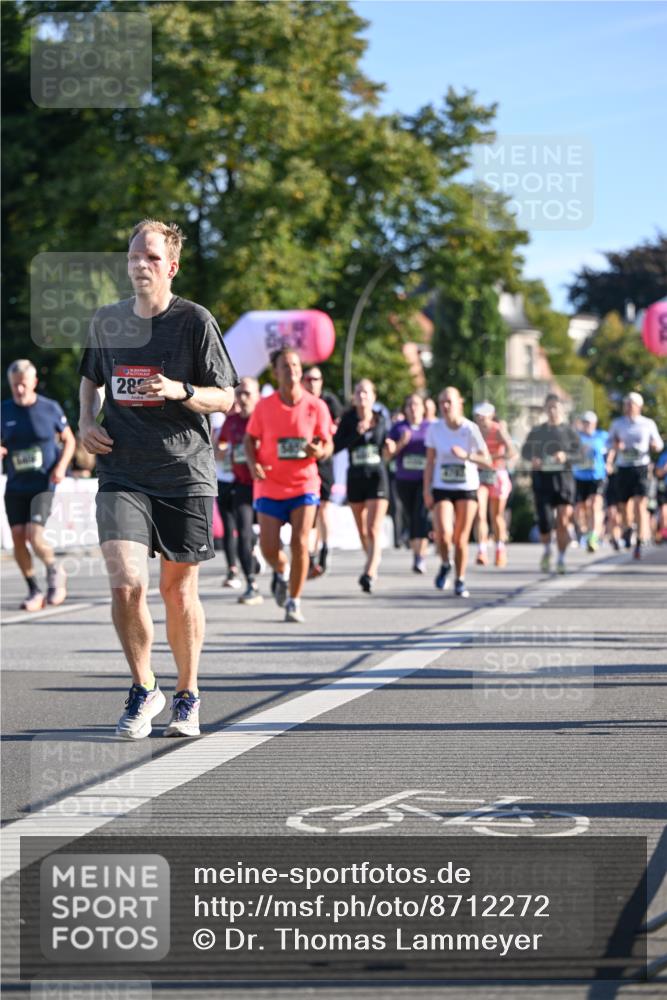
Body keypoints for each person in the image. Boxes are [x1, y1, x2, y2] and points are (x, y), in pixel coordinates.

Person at [79, 218, 238, 739]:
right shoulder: (107, 321)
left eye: (150, 257)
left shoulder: (194, 321)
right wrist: (85, 421)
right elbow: (90, 380)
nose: (139, 266)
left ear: (170, 266)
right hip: (123, 469)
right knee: (126, 584)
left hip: (184, 471)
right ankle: (145, 687)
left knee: (177, 591)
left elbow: (225, 396)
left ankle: (187, 694)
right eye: (132, 257)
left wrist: (178, 390)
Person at [244, 349, 333, 623]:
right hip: (270, 484)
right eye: (286, 366)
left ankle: (294, 601)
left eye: (295, 365)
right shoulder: (264, 406)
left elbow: (327, 444)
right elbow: (249, 439)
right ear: (276, 372)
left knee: (300, 543)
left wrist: (318, 452)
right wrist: (252, 462)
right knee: (270, 548)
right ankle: (281, 570)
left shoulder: (315, 406)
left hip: (304, 485)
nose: (292, 370)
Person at [1, 359, 75, 610]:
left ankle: (55, 570)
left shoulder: (50, 409)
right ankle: (34, 589)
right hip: (15, 484)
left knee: (34, 534)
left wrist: (61, 466)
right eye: (14, 386)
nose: (19, 390)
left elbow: (70, 440)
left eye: (23, 384)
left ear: (33, 382)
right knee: (17, 537)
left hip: (44, 482)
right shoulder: (5, 411)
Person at [423, 386, 491, 598]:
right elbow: (430, 462)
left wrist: (466, 456)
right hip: (442, 486)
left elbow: (487, 460)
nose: (445, 406)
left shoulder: (470, 429)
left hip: (466, 487)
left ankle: (460, 580)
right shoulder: (435, 429)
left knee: (461, 538)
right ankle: (445, 563)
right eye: (442, 401)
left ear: (459, 403)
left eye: (449, 402)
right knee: (443, 534)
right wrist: (426, 490)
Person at [334, 379, 389, 593]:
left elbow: (386, 443)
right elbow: (337, 446)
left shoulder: (381, 419)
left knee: (374, 528)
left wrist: (392, 446)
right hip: (356, 477)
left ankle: (369, 571)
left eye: (366, 392)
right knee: (362, 530)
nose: (362, 396)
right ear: (354, 397)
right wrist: (356, 432)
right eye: (358, 392)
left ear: (373, 397)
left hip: (377, 477)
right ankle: (372, 560)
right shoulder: (348, 419)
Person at [521, 394, 582, 574]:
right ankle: (547, 550)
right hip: (542, 481)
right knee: (546, 522)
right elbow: (525, 451)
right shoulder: (537, 431)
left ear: (561, 409)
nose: (553, 411)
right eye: (549, 408)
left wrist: (566, 456)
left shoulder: (569, 432)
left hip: (564, 482)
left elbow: (580, 455)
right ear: (545, 410)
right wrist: (533, 459)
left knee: (563, 521)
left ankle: (561, 558)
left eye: (556, 407)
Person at [217, 377, 263, 605]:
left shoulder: (265, 419)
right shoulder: (231, 421)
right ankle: (251, 584)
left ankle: (282, 571)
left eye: (247, 394)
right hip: (242, 485)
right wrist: (223, 450)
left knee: (271, 539)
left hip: (267, 485)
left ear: (258, 396)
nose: (243, 398)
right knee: (243, 533)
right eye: (240, 394)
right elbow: (221, 444)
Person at [607, 392, 664, 559]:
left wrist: (655, 445)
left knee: (640, 504)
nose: (629, 407)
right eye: (627, 404)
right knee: (623, 507)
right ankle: (628, 527)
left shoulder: (648, 423)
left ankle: (639, 542)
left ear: (639, 407)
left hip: (641, 467)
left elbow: (659, 444)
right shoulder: (618, 424)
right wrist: (616, 445)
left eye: (632, 404)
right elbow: (607, 443)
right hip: (623, 467)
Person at [302, 365, 343, 575]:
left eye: (316, 379)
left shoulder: (329, 401)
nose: (312, 383)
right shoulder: (298, 402)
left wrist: (330, 432)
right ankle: (310, 554)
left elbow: (338, 425)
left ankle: (325, 549)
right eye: (308, 379)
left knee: (324, 509)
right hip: (304, 464)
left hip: (324, 463)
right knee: (310, 511)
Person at [386, 394, 431, 574]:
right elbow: (388, 455)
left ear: (423, 408)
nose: (413, 408)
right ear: (405, 409)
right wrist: (401, 443)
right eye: (409, 405)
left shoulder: (430, 427)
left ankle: (421, 556)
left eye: (416, 404)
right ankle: (416, 553)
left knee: (421, 515)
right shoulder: (398, 428)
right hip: (404, 480)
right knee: (411, 516)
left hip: (424, 479)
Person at [473, 401, 517, 568]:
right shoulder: (473, 431)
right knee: (480, 514)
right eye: (479, 416)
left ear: (491, 415)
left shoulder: (497, 430)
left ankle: (500, 549)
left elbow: (512, 451)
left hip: (497, 474)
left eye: (484, 416)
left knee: (496, 516)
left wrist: (495, 458)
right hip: (479, 474)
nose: (481, 419)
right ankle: (482, 550)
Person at [213, 402, 243, 591]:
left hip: (243, 480)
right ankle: (232, 569)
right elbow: (214, 451)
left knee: (245, 525)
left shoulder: (247, 421)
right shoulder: (217, 419)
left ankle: (252, 550)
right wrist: (221, 452)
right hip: (223, 479)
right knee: (228, 525)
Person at [572, 410, 608, 553]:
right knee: (580, 509)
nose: (586, 425)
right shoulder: (576, 437)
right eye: (584, 422)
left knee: (595, 505)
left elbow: (613, 447)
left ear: (594, 424)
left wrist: (610, 461)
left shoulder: (603, 436)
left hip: (597, 476)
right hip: (579, 476)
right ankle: (585, 532)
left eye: (589, 422)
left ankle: (593, 536)